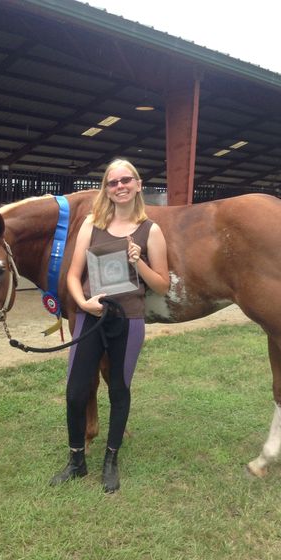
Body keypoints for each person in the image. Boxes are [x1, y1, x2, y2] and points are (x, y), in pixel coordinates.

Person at [50, 158, 169, 493]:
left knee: (118, 389)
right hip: (91, 318)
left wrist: (138, 262)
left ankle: (110, 461)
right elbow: (73, 275)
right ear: (106, 188)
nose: (120, 187)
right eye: (113, 182)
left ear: (138, 184)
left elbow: (162, 284)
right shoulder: (91, 225)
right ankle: (76, 461)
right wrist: (83, 302)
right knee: (75, 392)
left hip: (127, 321)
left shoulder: (151, 231)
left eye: (125, 180)